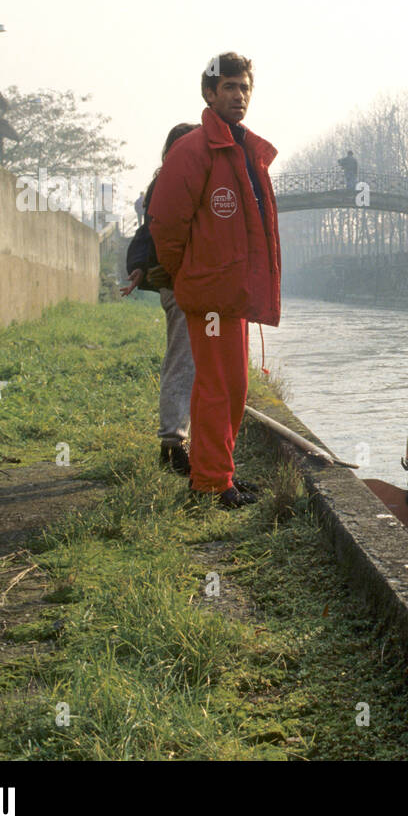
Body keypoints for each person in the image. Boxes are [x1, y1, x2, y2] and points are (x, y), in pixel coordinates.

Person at [148, 52, 281, 509]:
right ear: (209, 93)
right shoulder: (194, 151)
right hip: (209, 294)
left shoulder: (242, 150)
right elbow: (164, 223)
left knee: (235, 388)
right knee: (215, 385)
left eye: (244, 87)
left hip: (234, 293)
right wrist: (189, 272)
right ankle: (209, 483)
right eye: (229, 87)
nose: (239, 95)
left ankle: (221, 474)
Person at [121, 122, 200, 475]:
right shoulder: (171, 183)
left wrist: (138, 267)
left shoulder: (167, 181)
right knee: (183, 361)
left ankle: (179, 442)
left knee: (187, 361)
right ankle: (173, 444)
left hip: (189, 283)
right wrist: (141, 267)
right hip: (180, 283)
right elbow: (151, 232)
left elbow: (144, 234)